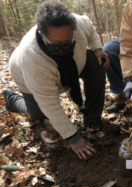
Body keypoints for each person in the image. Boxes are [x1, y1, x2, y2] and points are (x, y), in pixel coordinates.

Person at [4, 0, 110, 159]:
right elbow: (49, 103)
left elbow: (91, 31)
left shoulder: (77, 23)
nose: (64, 46)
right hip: (27, 77)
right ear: (42, 35)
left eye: (68, 41)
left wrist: (98, 49)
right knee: (37, 115)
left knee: (97, 64)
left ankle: (92, 119)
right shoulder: (32, 59)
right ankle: (12, 98)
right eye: (58, 43)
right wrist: (73, 138)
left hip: (73, 65)